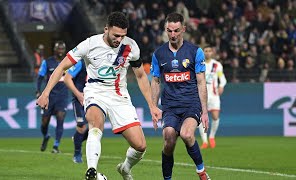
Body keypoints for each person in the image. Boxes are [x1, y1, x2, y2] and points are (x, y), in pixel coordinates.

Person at [36, 12, 161, 180]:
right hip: (95, 92)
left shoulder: (131, 46)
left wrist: (152, 105)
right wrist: (45, 93)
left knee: (140, 145)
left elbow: (140, 76)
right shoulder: (89, 44)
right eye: (116, 35)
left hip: (119, 96)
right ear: (106, 29)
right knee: (95, 122)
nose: (119, 39)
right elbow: (61, 67)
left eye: (123, 35)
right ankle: (92, 171)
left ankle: (125, 168)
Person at [150, 12, 210, 180]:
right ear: (165, 29)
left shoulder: (195, 52)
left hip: (191, 104)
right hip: (170, 106)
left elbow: (201, 82)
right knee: (168, 138)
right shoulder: (159, 54)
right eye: (169, 31)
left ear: (183, 29)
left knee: (187, 134)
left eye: (176, 30)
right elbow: (155, 81)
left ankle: (202, 172)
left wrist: (205, 111)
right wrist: (154, 107)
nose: (173, 35)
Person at [36, 41, 68, 153]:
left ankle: (56, 146)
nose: (60, 51)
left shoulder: (69, 62)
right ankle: (45, 136)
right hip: (49, 96)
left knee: (60, 117)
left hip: (62, 96)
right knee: (44, 122)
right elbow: (40, 77)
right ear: (55, 50)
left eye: (62, 49)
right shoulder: (47, 62)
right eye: (58, 49)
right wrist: (38, 91)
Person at [198, 46, 227, 149]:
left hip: (214, 95)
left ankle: (211, 137)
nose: (208, 53)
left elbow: (222, 78)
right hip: (201, 95)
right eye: (206, 51)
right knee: (201, 118)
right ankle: (204, 141)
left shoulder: (217, 65)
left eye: (209, 51)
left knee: (215, 116)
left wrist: (221, 86)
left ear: (212, 53)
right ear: (203, 53)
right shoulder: (199, 63)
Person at [64, 60, 89, 163]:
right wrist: (78, 94)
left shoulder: (99, 62)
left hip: (93, 99)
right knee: (81, 126)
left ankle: (77, 138)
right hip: (79, 100)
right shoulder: (80, 63)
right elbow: (67, 78)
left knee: (94, 127)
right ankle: (77, 154)